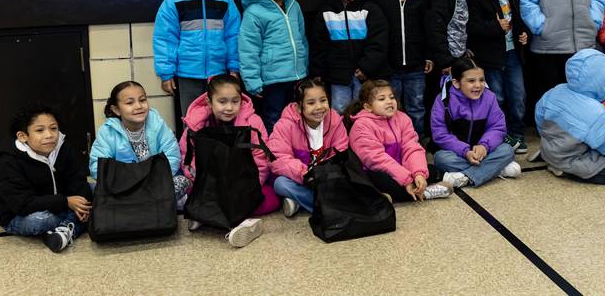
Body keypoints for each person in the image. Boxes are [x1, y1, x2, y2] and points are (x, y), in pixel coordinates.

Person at [178, 74, 279, 247]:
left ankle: (206, 216)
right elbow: (187, 156)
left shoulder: (252, 122)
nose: (229, 107)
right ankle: (232, 219)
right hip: (209, 182)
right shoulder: (197, 123)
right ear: (209, 102)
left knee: (272, 196)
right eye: (222, 101)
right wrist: (200, 180)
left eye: (235, 101)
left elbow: (261, 159)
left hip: (243, 181)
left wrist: (250, 184)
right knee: (190, 190)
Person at [153, 0, 241, 134]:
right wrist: (166, 73)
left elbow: (234, 36)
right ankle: (191, 160)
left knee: (219, 121)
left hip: (218, 74)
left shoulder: (225, 1)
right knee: (192, 121)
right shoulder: (174, 1)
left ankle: (216, 158)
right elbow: (165, 39)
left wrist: (234, 68)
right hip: (187, 74)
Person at [532, 49, 605, 185]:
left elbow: (539, 119)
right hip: (570, 157)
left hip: (549, 148)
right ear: (602, 79)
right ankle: (562, 170)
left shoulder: (555, 91)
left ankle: (551, 158)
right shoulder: (595, 111)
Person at [0, 107, 92, 252]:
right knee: (43, 220)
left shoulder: (63, 147)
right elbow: (22, 204)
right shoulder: (9, 161)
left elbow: (77, 179)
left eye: (53, 128)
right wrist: (66, 202)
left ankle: (64, 231)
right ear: (22, 136)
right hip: (20, 215)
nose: (49, 135)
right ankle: (73, 225)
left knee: (95, 189)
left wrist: (82, 204)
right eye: (40, 130)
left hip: (60, 203)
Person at [466, 0, 530, 152]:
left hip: (512, 53)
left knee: (518, 95)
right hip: (490, 56)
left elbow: (517, 17)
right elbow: (472, 26)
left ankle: (517, 134)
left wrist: (523, 33)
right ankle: (499, 135)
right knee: (497, 96)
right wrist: (495, 26)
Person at [348, 80, 453, 202]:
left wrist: (418, 174)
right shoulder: (361, 125)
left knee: (427, 170)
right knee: (383, 182)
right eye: (382, 99)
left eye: (391, 97)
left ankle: (413, 189)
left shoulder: (402, 118)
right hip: (376, 171)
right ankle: (425, 193)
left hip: (400, 168)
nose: (389, 101)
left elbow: (412, 147)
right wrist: (406, 180)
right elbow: (376, 159)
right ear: (368, 107)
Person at [89, 81, 191, 207]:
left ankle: (140, 206)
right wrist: (128, 182)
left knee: (182, 181)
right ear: (116, 110)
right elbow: (97, 167)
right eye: (129, 103)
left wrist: (151, 181)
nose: (138, 106)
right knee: (92, 190)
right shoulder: (107, 132)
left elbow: (173, 156)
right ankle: (151, 205)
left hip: (154, 183)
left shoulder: (157, 124)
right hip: (123, 187)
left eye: (142, 100)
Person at [239, 0, 309, 133]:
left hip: (296, 76)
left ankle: (294, 152)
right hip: (272, 79)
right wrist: (252, 81)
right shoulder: (254, 11)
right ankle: (275, 155)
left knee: (296, 117)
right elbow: (248, 49)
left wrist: (304, 67)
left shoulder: (294, 5)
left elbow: (301, 38)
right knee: (274, 118)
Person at [311, 0, 389, 113]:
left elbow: (379, 42)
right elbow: (319, 45)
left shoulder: (370, 9)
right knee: (340, 108)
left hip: (365, 74)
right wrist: (318, 72)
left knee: (363, 109)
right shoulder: (327, 12)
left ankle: (361, 137)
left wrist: (366, 67)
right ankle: (341, 137)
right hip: (338, 74)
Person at [430, 58, 521, 188]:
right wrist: (465, 151)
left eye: (481, 80)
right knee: (441, 158)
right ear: (456, 83)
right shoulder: (443, 101)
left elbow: (498, 127)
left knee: (507, 150)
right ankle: (496, 170)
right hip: (458, 153)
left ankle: (466, 177)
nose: (478, 85)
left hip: (484, 151)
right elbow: (440, 135)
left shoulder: (490, 97)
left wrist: (484, 146)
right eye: (471, 81)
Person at [268, 78, 349, 217]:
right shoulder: (285, 125)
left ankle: (299, 203)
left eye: (323, 100)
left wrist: (326, 174)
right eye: (311, 103)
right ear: (299, 107)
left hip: (327, 178)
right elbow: (278, 158)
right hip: (302, 178)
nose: (319, 107)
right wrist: (304, 174)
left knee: (349, 177)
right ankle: (329, 208)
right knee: (280, 184)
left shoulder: (335, 121)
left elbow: (341, 152)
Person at [371, 0, 433, 136]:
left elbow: (428, 28)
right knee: (390, 109)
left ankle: (416, 144)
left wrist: (429, 54)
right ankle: (394, 146)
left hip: (416, 66)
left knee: (417, 109)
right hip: (389, 67)